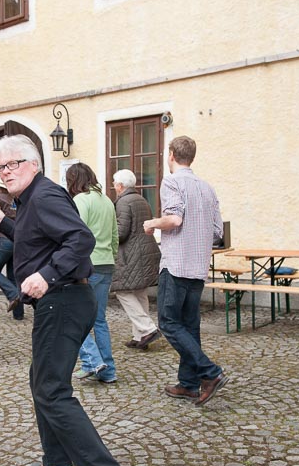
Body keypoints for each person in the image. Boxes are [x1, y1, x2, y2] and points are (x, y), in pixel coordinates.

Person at [0, 135, 128, 466]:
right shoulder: (30, 200)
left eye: (13, 164)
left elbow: (80, 239)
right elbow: (38, 240)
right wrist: (6, 225)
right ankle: (57, 462)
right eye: (0, 167)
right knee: (41, 380)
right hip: (61, 301)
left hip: (64, 299)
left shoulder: (45, 195)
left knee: (51, 389)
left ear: (33, 163)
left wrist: (46, 275)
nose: (6, 172)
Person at [144, 135, 228, 406]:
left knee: (169, 323)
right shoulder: (207, 188)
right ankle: (189, 384)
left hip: (177, 264)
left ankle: (210, 372)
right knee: (190, 326)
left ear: (171, 155)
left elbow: (174, 219)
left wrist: (152, 223)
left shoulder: (172, 182)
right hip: (198, 266)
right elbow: (217, 231)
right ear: (192, 157)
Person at [65, 163, 119, 384]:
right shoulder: (106, 200)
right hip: (106, 263)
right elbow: (114, 235)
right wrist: (110, 255)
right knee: (99, 320)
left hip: (87, 266)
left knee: (73, 317)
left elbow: (77, 235)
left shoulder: (80, 200)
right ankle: (108, 371)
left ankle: (92, 361)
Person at [111, 169, 162, 350]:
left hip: (131, 253)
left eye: (115, 183)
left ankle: (147, 329)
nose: (114, 186)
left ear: (120, 185)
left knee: (121, 290)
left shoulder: (123, 202)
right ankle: (140, 335)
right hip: (145, 251)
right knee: (140, 292)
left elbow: (121, 232)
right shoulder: (141, 199)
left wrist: (109, 234)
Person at [0, 173, 25, 320]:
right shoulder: (16, 199)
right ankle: (18, 314)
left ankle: (13, 294)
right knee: (13, 276)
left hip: (3, 240)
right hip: (17, 240)